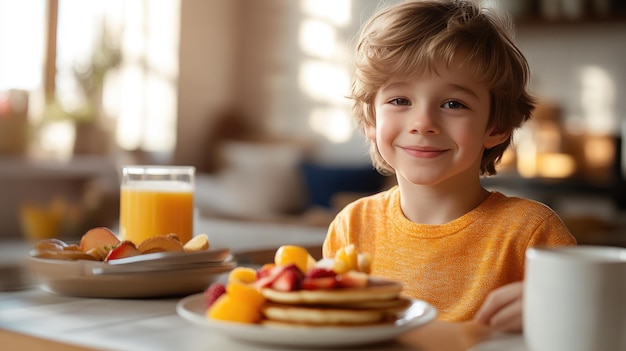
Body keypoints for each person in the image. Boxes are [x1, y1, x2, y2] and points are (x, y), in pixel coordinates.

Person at [322, 0, 576, 333]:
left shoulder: (530, 232)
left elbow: (597, 315)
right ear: (371, 117)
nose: (423, 123)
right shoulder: (351, 227)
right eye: (400, 100)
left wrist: (555, 304)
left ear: (495, 127)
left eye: (453, 104)